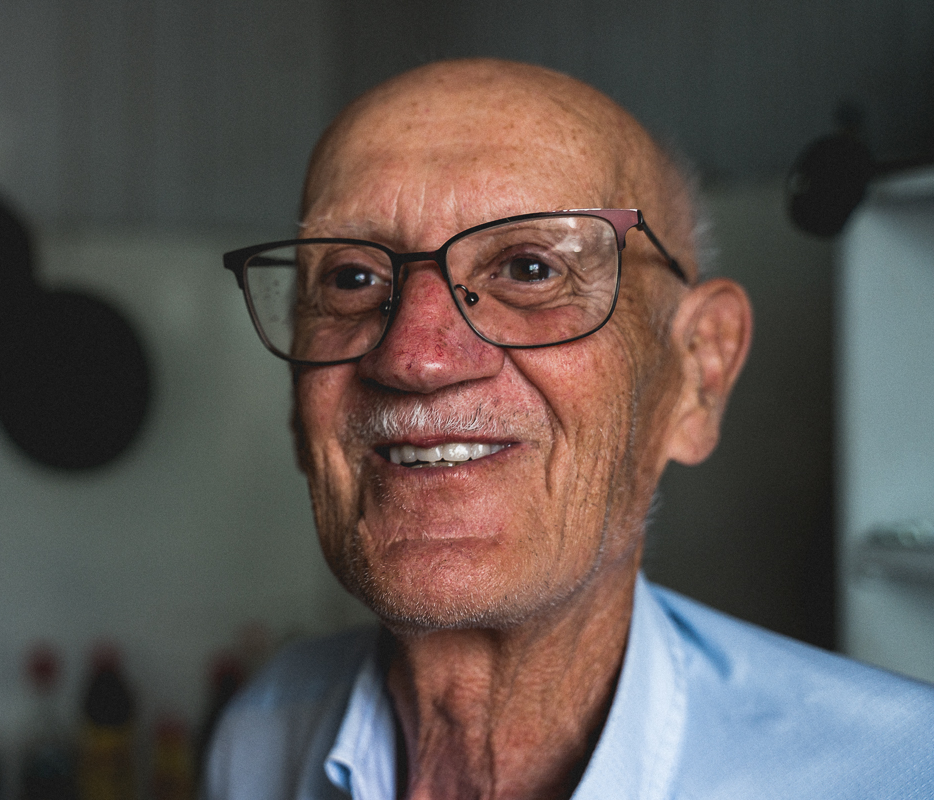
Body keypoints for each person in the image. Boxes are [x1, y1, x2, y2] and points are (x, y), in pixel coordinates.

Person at [208, 59, 934, 800]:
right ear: (298, 408)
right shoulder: (261, 736)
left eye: (529, 269)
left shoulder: (899, 772)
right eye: (351, 278)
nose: (416, 358)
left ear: (698, 374)